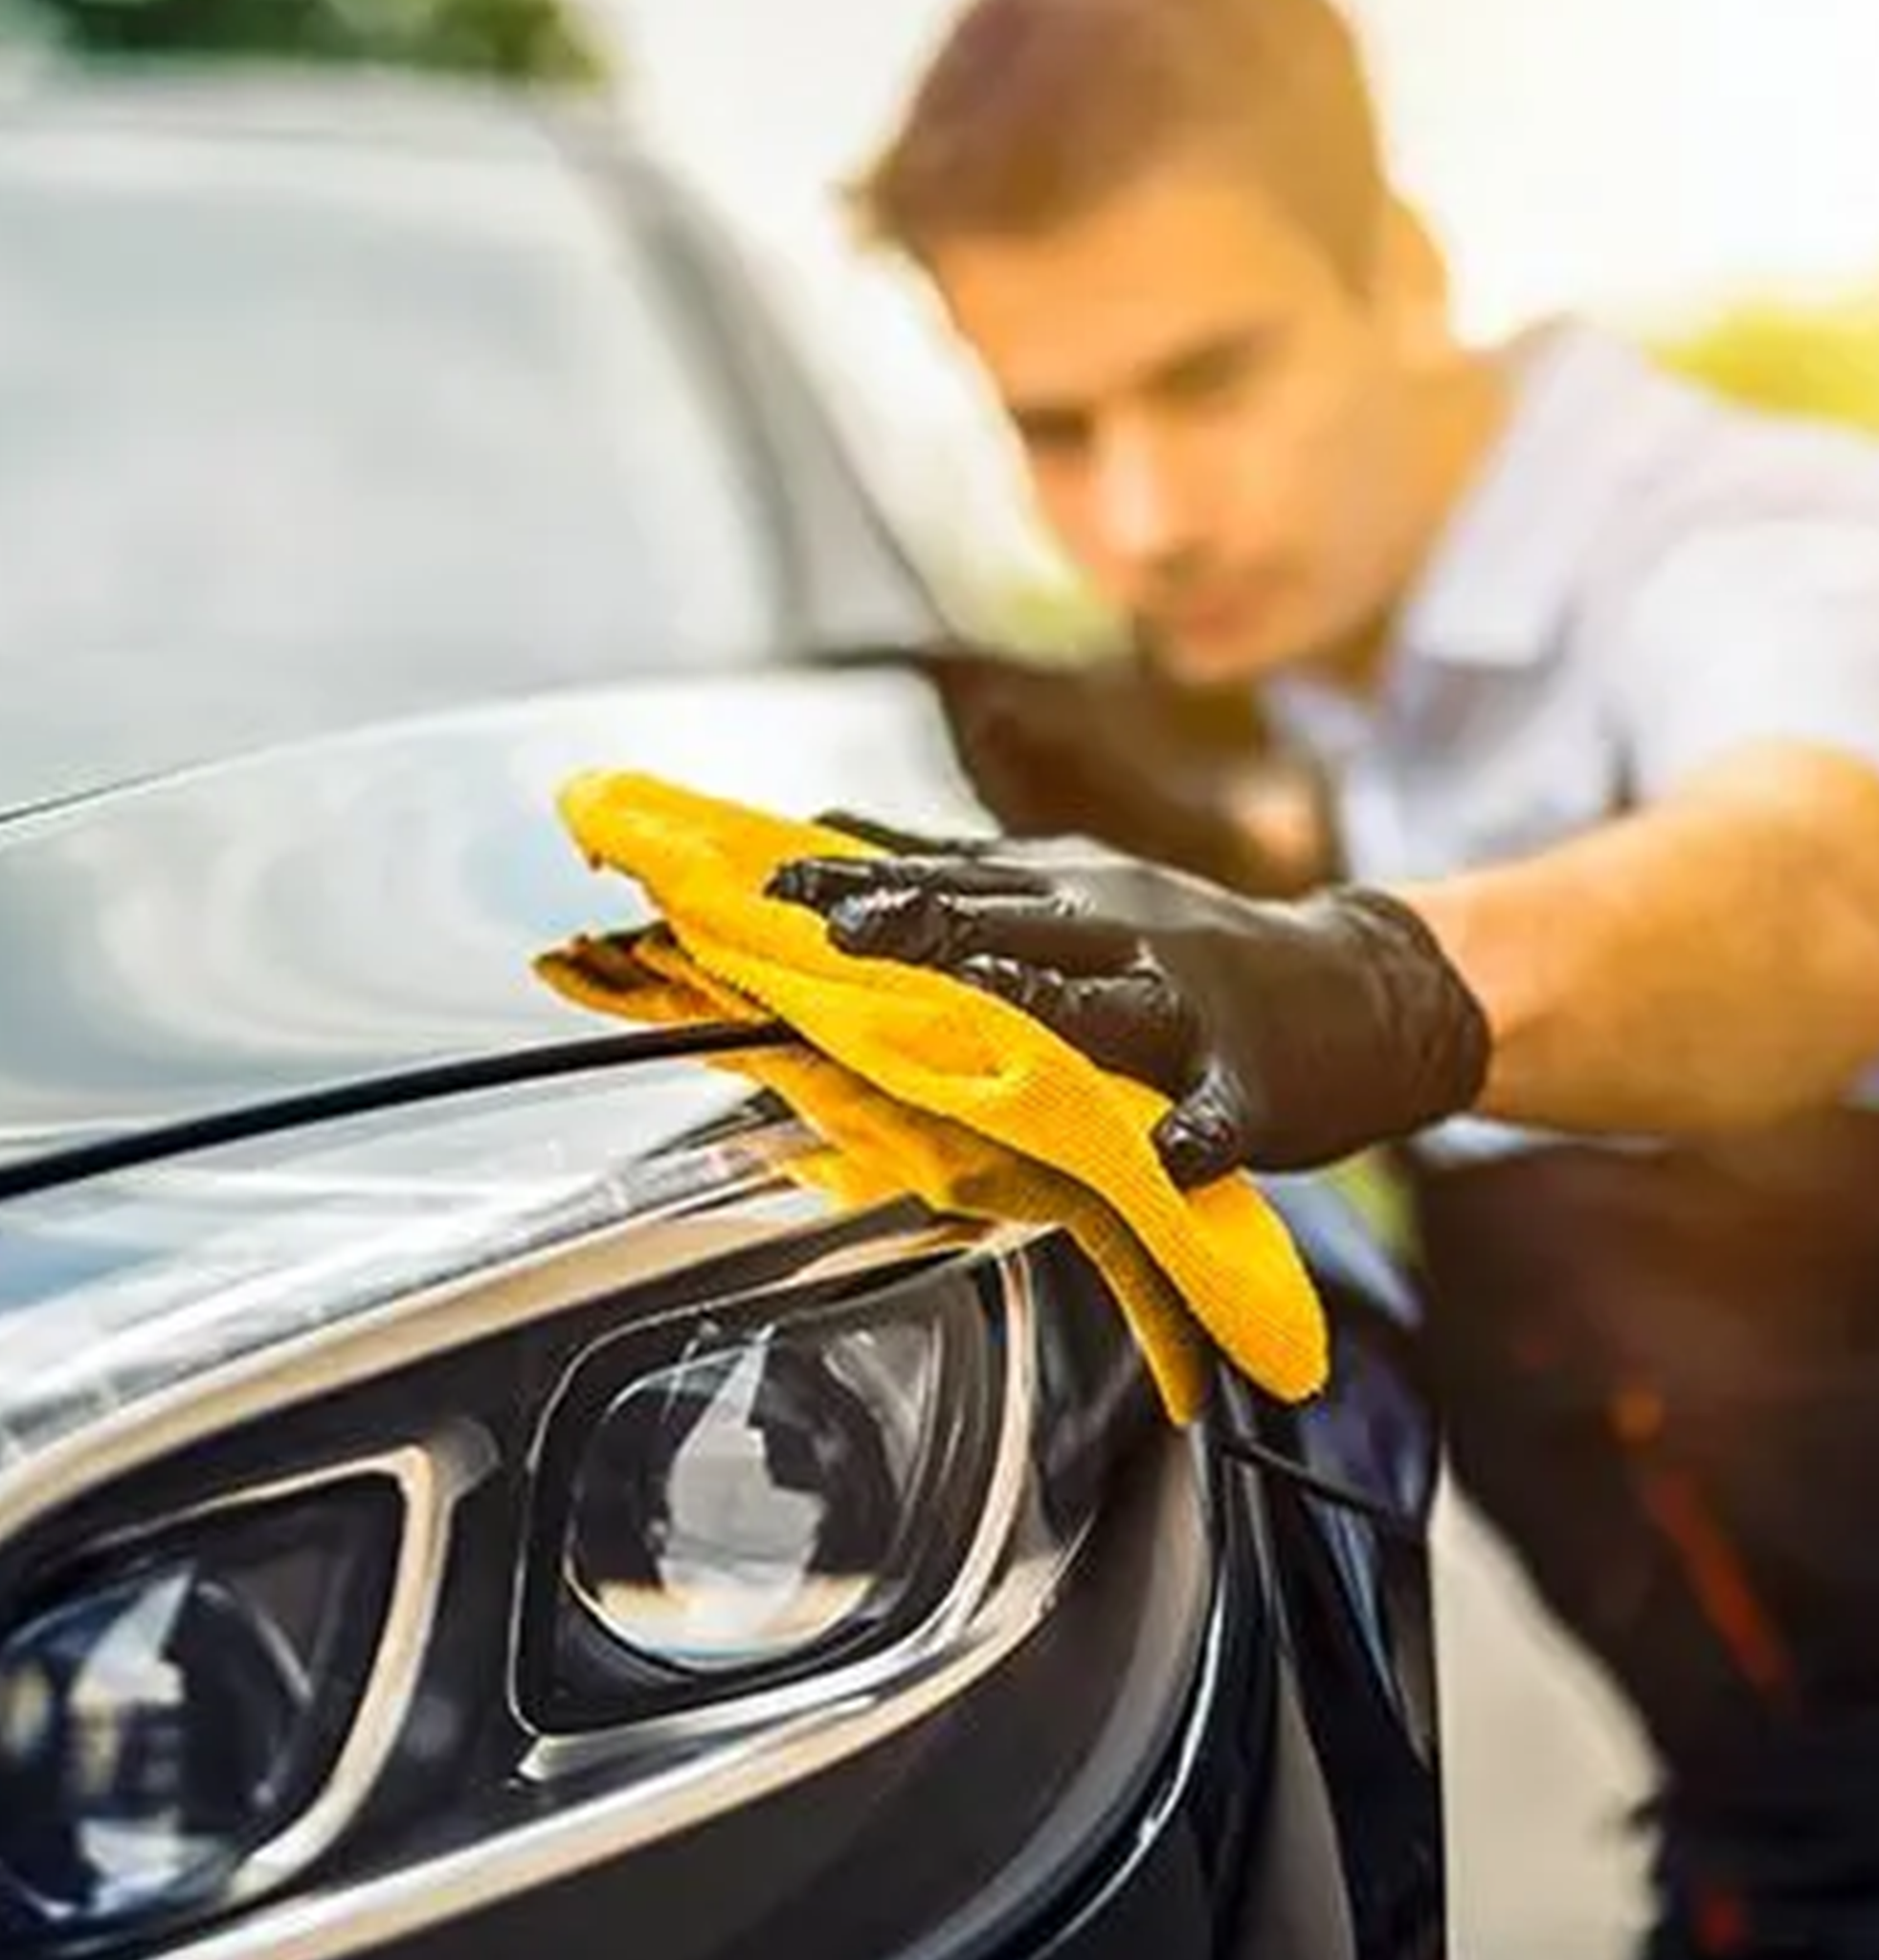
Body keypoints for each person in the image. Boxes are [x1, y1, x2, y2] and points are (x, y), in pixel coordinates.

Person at [768, 0, 1879, 1952]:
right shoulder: (1331, 660)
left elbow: (1820, 893)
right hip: (1773, 1838)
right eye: (1054, 430)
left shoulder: (1749, 545)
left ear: (1408, 271)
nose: (1145, 518)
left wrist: (1375, 981)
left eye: (1210, 379)